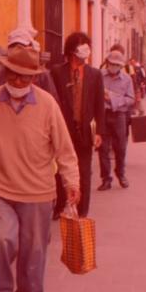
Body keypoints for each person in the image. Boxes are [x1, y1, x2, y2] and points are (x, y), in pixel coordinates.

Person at [0, 46, 80, 292]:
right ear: (5, 71)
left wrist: (72, 182)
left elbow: (64, 149)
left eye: (26, 77)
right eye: (14, 75)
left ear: (35, 77)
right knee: (0, 239)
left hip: (38, 191)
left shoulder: (47, 104)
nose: (19, 82)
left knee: (34, 246)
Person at [50, 32, 105, 218]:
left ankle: (82, 211)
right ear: (72, 51)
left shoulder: (95, 75)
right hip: (63, 130)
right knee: (59, 170)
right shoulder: (57, 72)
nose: (85, 53)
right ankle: (58, 206)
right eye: (81, 47)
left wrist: (99, 133)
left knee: (84, 171)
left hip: (84, 132)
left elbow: (99, 106)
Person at [0, 28, 60, 103]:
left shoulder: (43, 76)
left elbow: (53, 102)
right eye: (14, 47)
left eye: (22, 47)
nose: (17, 82)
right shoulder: (0, 76)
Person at [97, 50, 135, 191]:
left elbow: (131, 99)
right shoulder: (100, 76)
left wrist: (113, 99)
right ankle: (106, 179)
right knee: (103, 148)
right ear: (107, 63)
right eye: (111, 64)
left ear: (121, 66)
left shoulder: (127, 79)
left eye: (116, 65)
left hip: (119, 115)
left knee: (120, 148)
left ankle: (121, 174)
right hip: (103, 114)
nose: (113, 67)